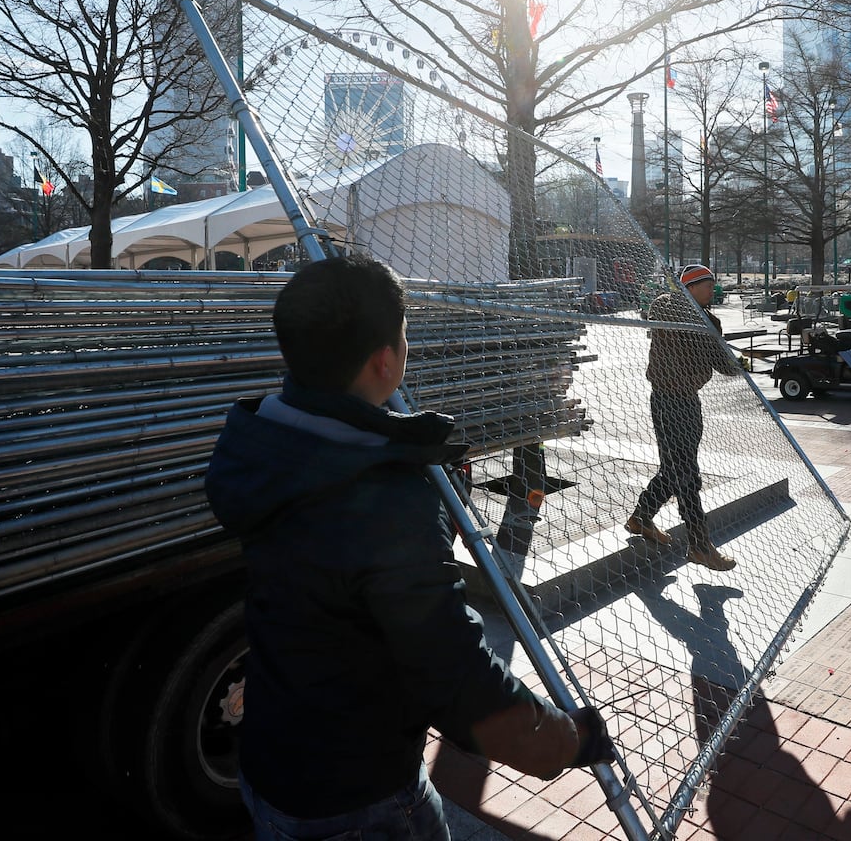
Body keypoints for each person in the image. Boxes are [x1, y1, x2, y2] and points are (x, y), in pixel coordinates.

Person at [205, 254, 609, 841]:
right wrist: (567, 739)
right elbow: (454, 676)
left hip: (274, 761)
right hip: (358, 795)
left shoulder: (261, 445)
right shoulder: (385, 503)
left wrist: (404, 447)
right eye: (404, 333)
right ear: (385, 359)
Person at [625, 264, 742, 571]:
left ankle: (640, 517)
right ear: (689, 288)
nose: (711, 290)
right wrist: (730, 356)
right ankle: (700, 545)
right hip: (668, 401)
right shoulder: (669, 308)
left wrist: (733, 360)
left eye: (713, 285)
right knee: (687, 474)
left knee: (675, 469)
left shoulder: (704, 319)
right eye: (705, 285)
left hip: (687, 401)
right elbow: (657, 311)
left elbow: (724, 365)